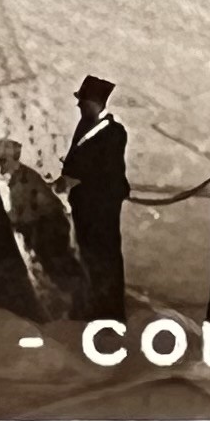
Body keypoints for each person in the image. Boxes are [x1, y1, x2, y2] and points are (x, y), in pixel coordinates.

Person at [61, 74, 132, 321]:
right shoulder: (86, 126)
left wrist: (77, 177)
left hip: (101, 206)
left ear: (93, 102)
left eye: (82, 101)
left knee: (105, 256)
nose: (79, 105)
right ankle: (94, 305)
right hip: (85, 204)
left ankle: (109, 309)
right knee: (89, 254)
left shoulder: (113, 133)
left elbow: (107, 170)